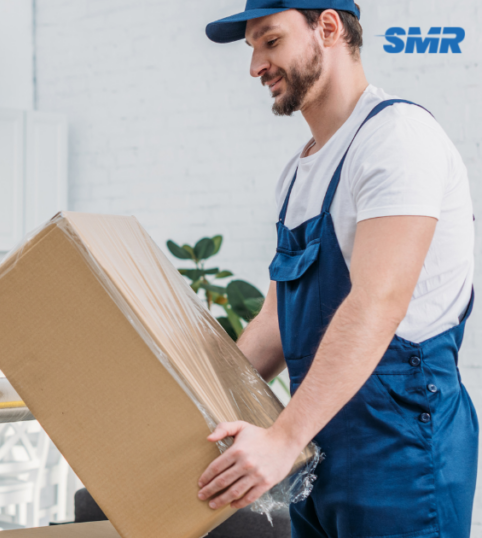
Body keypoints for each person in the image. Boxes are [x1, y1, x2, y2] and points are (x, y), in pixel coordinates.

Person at [198, 1, 478, 536]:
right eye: (252, 48)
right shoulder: (299, 171)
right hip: (318, 445)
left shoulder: (396, 137)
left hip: (400, 447)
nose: (255, 66)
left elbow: (378, 301)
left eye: (270, 41)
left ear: (327, 27)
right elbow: (276, 323)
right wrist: (189, 402)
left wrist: (283, 439)